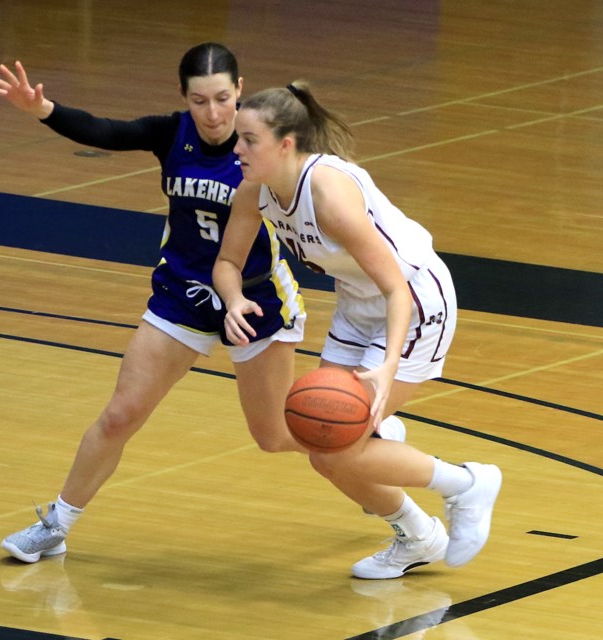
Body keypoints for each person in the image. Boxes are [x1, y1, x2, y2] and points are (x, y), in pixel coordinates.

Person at [0, 43, 320, 563]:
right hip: (183, 294)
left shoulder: (263, 146)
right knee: (121, 415)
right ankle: (56, 524)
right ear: (183, 97)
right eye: (199, 100)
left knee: (275, 436)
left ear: (241, 89)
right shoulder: (172, 133)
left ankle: (368, 450)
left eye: (224, 99)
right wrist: (43, 110)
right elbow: (107, 131)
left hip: (255, 303)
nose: (213, 114)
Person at [212, 81, 503, 579]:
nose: (235, 148)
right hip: (357, 306)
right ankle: (416, 537)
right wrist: (233, 299)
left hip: (415, 301)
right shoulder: (255, 190)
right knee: (324, 449)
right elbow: (227, 261)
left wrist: (387, 367)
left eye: (248, 139)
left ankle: (467, 483)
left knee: (340, 446)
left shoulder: (329, 196)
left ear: (286, 144)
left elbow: (396, 289)